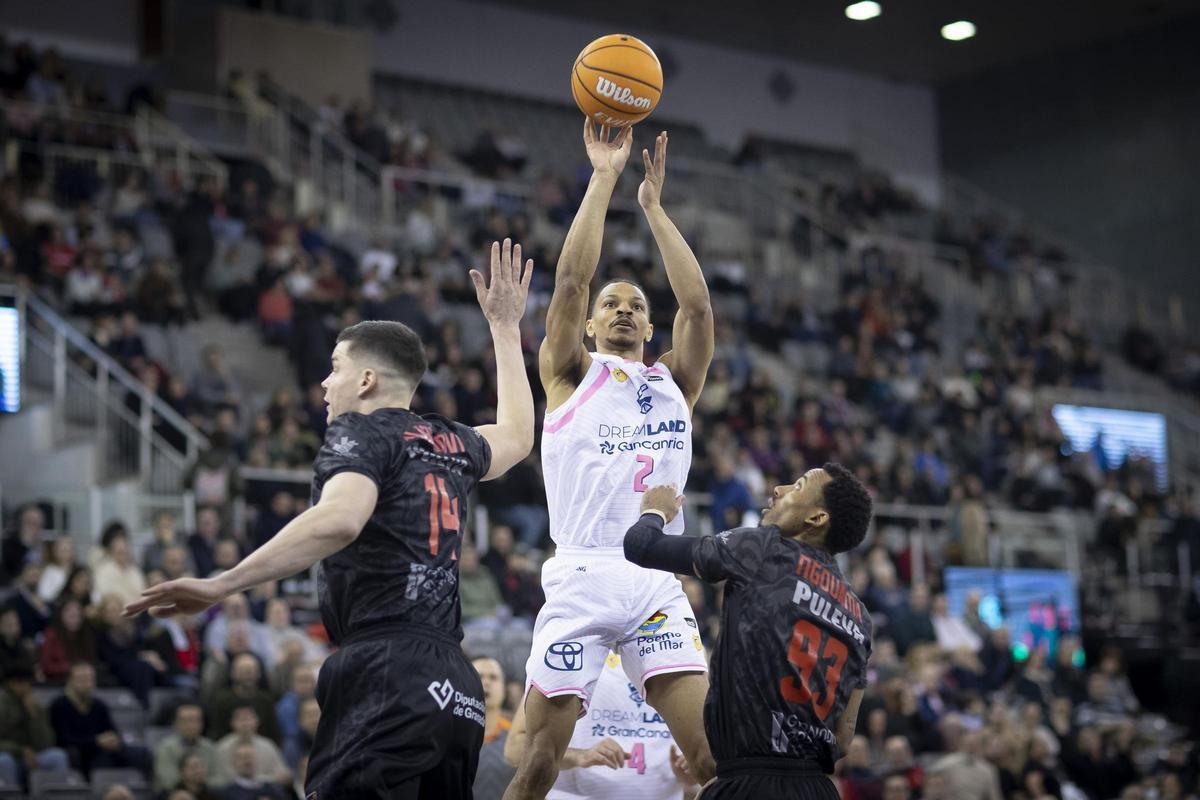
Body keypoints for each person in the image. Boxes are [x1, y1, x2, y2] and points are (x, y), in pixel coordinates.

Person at [126, 239, 537, 798]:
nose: (325, 383)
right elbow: (517, 436)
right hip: (456, 686)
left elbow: (340, 520)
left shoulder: (360, 430)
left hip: (385, 670)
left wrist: (222, 583)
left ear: (366, 380)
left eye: (335, 368)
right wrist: (506, 329)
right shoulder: (452, 441)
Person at [506, 126, 715, 799]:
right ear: (592, 326)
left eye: (637, 307)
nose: (623, 310)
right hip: (583, 573)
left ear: (650, 329)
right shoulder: (570, 372)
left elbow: (698, 307)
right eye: (611, 305)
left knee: (713, 759)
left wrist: (653, 207)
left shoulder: (674, 382)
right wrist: (603, 179)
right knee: (540, 761)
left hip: (656, 581)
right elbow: (571, 281)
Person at [623, 463, 875, 798]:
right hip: (818, 788)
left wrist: (655, 511)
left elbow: (641, 545)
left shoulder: (763, 549)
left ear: (816, 518)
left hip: (748, 780)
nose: (779, 489)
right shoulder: (859, 617)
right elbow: (843, 738)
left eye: (798, 486)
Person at [507, 651, 699, 800]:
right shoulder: (567, 654)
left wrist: (692, 774)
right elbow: (514, 748)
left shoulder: (677, 655)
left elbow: (699, 777)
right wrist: (579, 755)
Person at [49, 662, 152, 776]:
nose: (87, 684)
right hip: (80, 751)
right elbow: (63, 739)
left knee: (141, 754)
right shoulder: (60, 706)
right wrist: (95, 741)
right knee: (100, 758)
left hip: (102, 748)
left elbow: (111, 730)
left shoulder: (99, 705)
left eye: (90, 679)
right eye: (82, 679)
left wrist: (113, 739)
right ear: (70, 681)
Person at [0, 663, 69, 786]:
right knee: (4, 761)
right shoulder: (2, 705)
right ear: (9, 684)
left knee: (57, 756)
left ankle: (57, 793)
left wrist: (34, 716)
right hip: (11, 755)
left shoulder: (36, 706)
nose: (25, 687)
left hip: (33, 757)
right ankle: (12, 793)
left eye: (27, 682)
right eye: (19, 682)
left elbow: (46, 742)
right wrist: (21, 751)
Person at [472, 657, 515, 799]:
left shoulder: (517, 737)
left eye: (493, 677)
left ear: (504, 690)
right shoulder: (450, 736)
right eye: (479, 676)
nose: (486, 682)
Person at [155, 704, 219, 793]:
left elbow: (218, 777)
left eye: (196, 721)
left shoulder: (209, 747)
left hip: (206, 793)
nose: (191, 725)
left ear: (202, 724)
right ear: (176, 724)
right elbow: (168, 779)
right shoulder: (166, 748)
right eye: (186, 721)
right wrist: (191, 786)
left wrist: (200, 787)